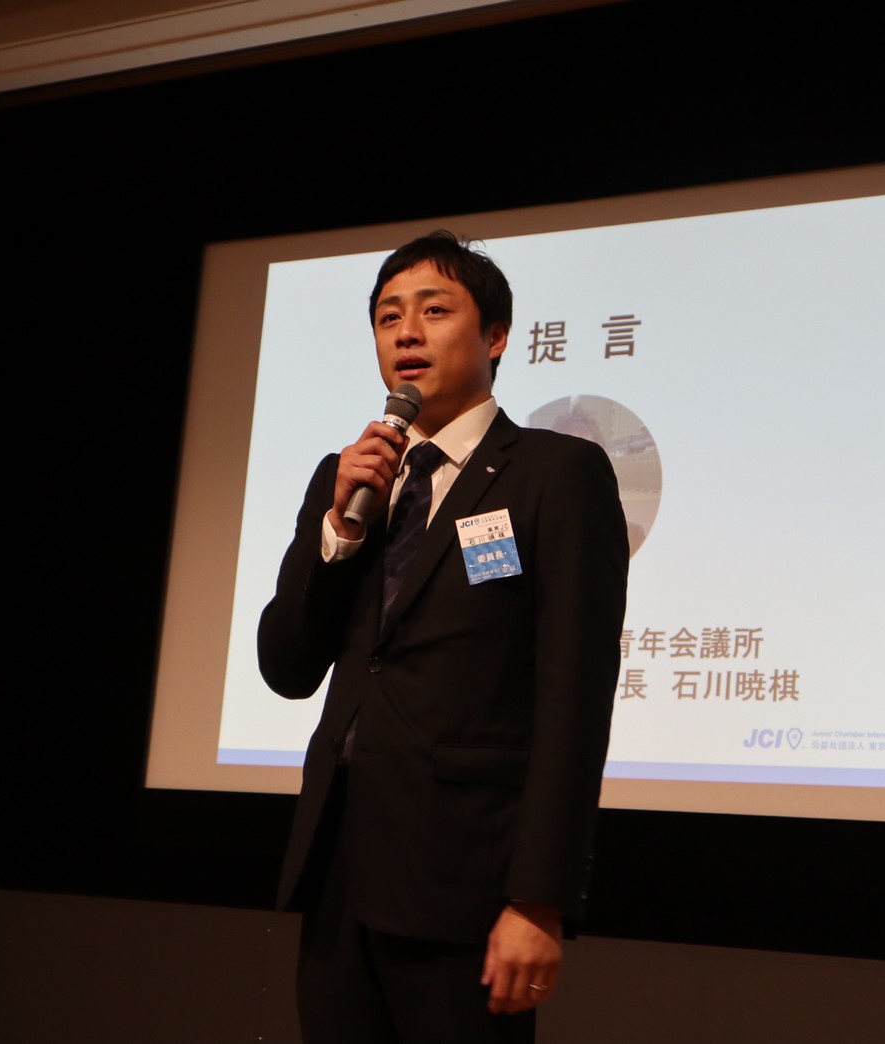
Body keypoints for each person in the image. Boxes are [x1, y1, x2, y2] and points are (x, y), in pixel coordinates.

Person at [258, 231, 628, 1043]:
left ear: (495, 337)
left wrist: (539, 898)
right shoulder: (350, 476)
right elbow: (286, 667)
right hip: (338, 875)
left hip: (468, 886)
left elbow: (574, 695)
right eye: (388, 317)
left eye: (433, 310)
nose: (406, 333)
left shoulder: (555, 474)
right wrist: (338, 531)